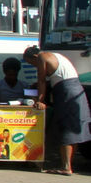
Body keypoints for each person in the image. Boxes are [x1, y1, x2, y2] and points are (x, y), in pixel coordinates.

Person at [23, 46, 91, 176]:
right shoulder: (56, 55)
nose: (33, 66)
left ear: (35, 57)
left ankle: (66, 167)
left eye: (31, 63)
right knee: (72, 128)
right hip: (76, 91)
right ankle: (68, 164)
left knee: (66, 128)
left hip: (67, 93)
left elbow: (41, 80)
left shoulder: (42, 57)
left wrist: (40, 100)